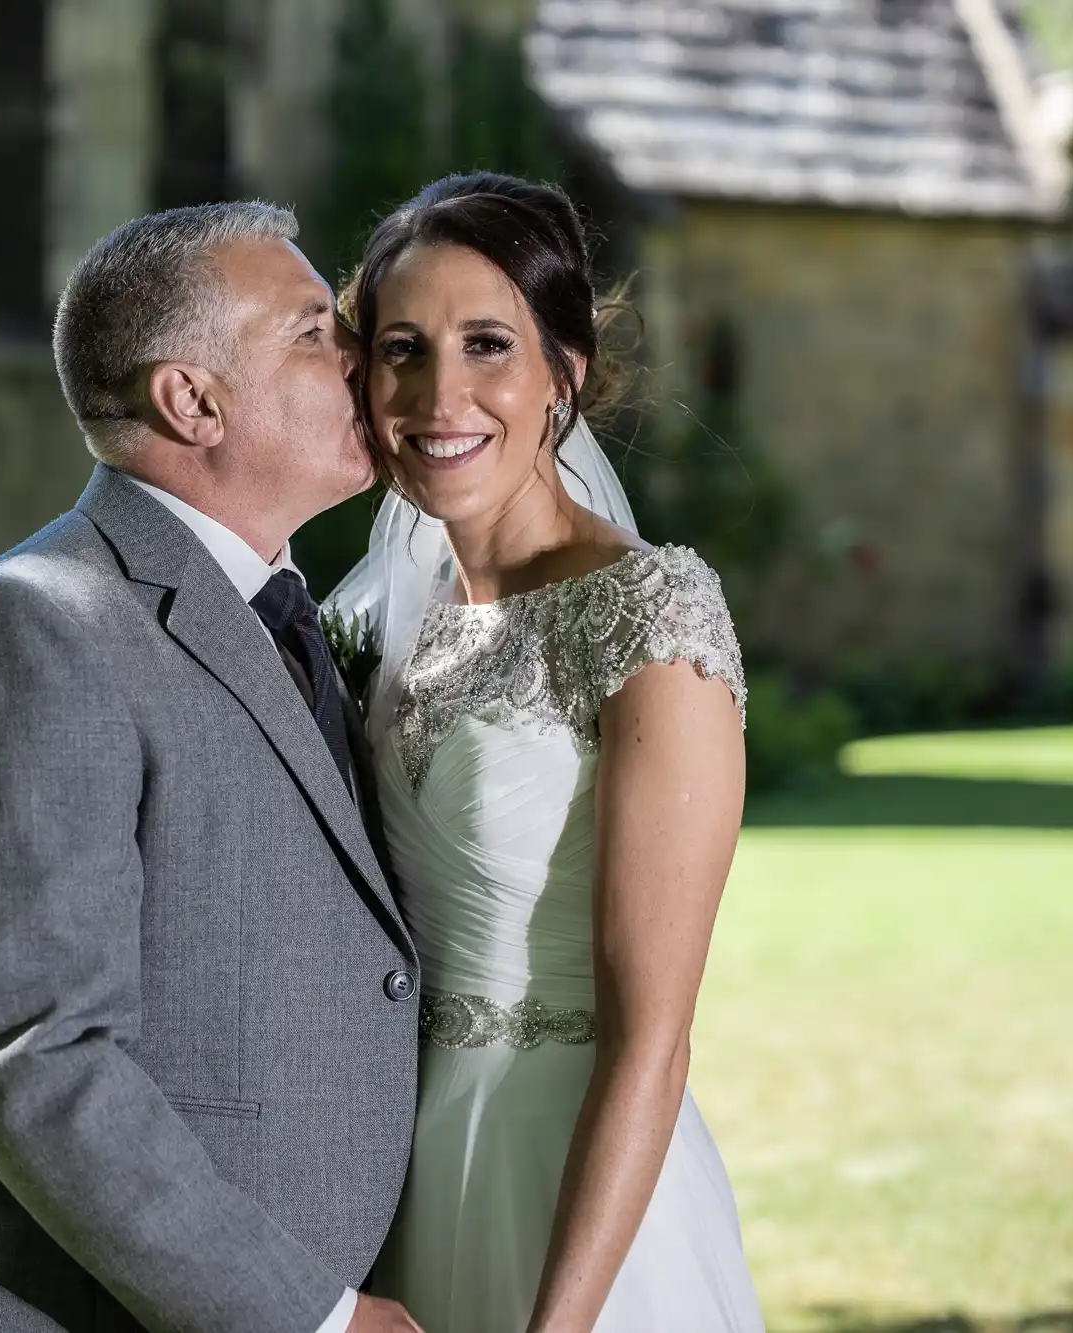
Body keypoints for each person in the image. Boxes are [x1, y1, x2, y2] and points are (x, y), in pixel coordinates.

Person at [0, 202, 425, 1333]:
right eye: (313, 332)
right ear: (191, 399)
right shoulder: (28, 631)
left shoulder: (286, 611)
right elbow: (30, 1050)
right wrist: (308, 1317)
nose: (361, 355)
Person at [328, 173, 766, 1332]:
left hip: (579, 1198)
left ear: (561, 374)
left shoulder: (649, 615)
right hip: (409, 1176)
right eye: (402, 349)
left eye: (487, 344)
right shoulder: (398, 619)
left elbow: (651, 1040)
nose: (439, 393)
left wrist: (558, 1324)